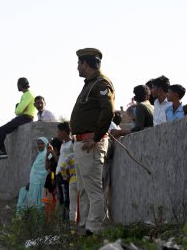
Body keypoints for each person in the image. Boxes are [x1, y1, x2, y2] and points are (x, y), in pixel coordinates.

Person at [71, 48, 115, 235]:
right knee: (83, 190)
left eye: (79, 63)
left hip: (91, 144)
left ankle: (94, 230)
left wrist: (96, 138)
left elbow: (108, 111)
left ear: (85, 64)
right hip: (82, 143)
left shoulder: (101, 83)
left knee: (94, 190)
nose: (77, 67)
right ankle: (84, 228)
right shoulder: (90, 84)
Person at [0, 77, 36, 159]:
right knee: (0, 130)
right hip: (24, 117)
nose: (17, 86)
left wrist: (17, 109)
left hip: (25, 118)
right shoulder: (27, 94)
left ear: (21, 84)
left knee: (0, 130)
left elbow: (19, 110)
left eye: (18, 84)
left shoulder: (28, 94)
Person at [17, 137, 49, 210]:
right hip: (34, 183)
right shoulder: (40, 155)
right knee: (23, 191)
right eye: (38, 144)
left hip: (41, 184)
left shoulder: (46, 154)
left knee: (38, 203)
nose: (40, 145)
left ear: (46, 144)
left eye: (42, 144)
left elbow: (45, 171)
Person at [55, 122, 73, 220]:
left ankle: (68, 221)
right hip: (58, 174)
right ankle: (62, 221)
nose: (57, 134)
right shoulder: (63, 145)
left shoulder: (72, 143)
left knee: (67, 199)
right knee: (60, 199)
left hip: (65, 175)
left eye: (58, 132)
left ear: (64, 132)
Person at [42, 137, 62, 221]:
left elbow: (55, 169)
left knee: (54, 203)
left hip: (55, 181)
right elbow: (47, 167)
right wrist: (47, 154)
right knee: (48, 204)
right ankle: (48, 221)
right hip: (50, 181)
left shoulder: (60, 156)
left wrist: (53, 152)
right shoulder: (52, 157)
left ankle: (53, 221)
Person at [60, 145, 77, 223]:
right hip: (83, 182)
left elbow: (62, 167)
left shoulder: (70, 156)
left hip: (73, 181)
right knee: (84, 204)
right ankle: (83, 225)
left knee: (73, 206)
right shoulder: (83, 154)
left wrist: (65, 177)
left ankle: (73, 228)